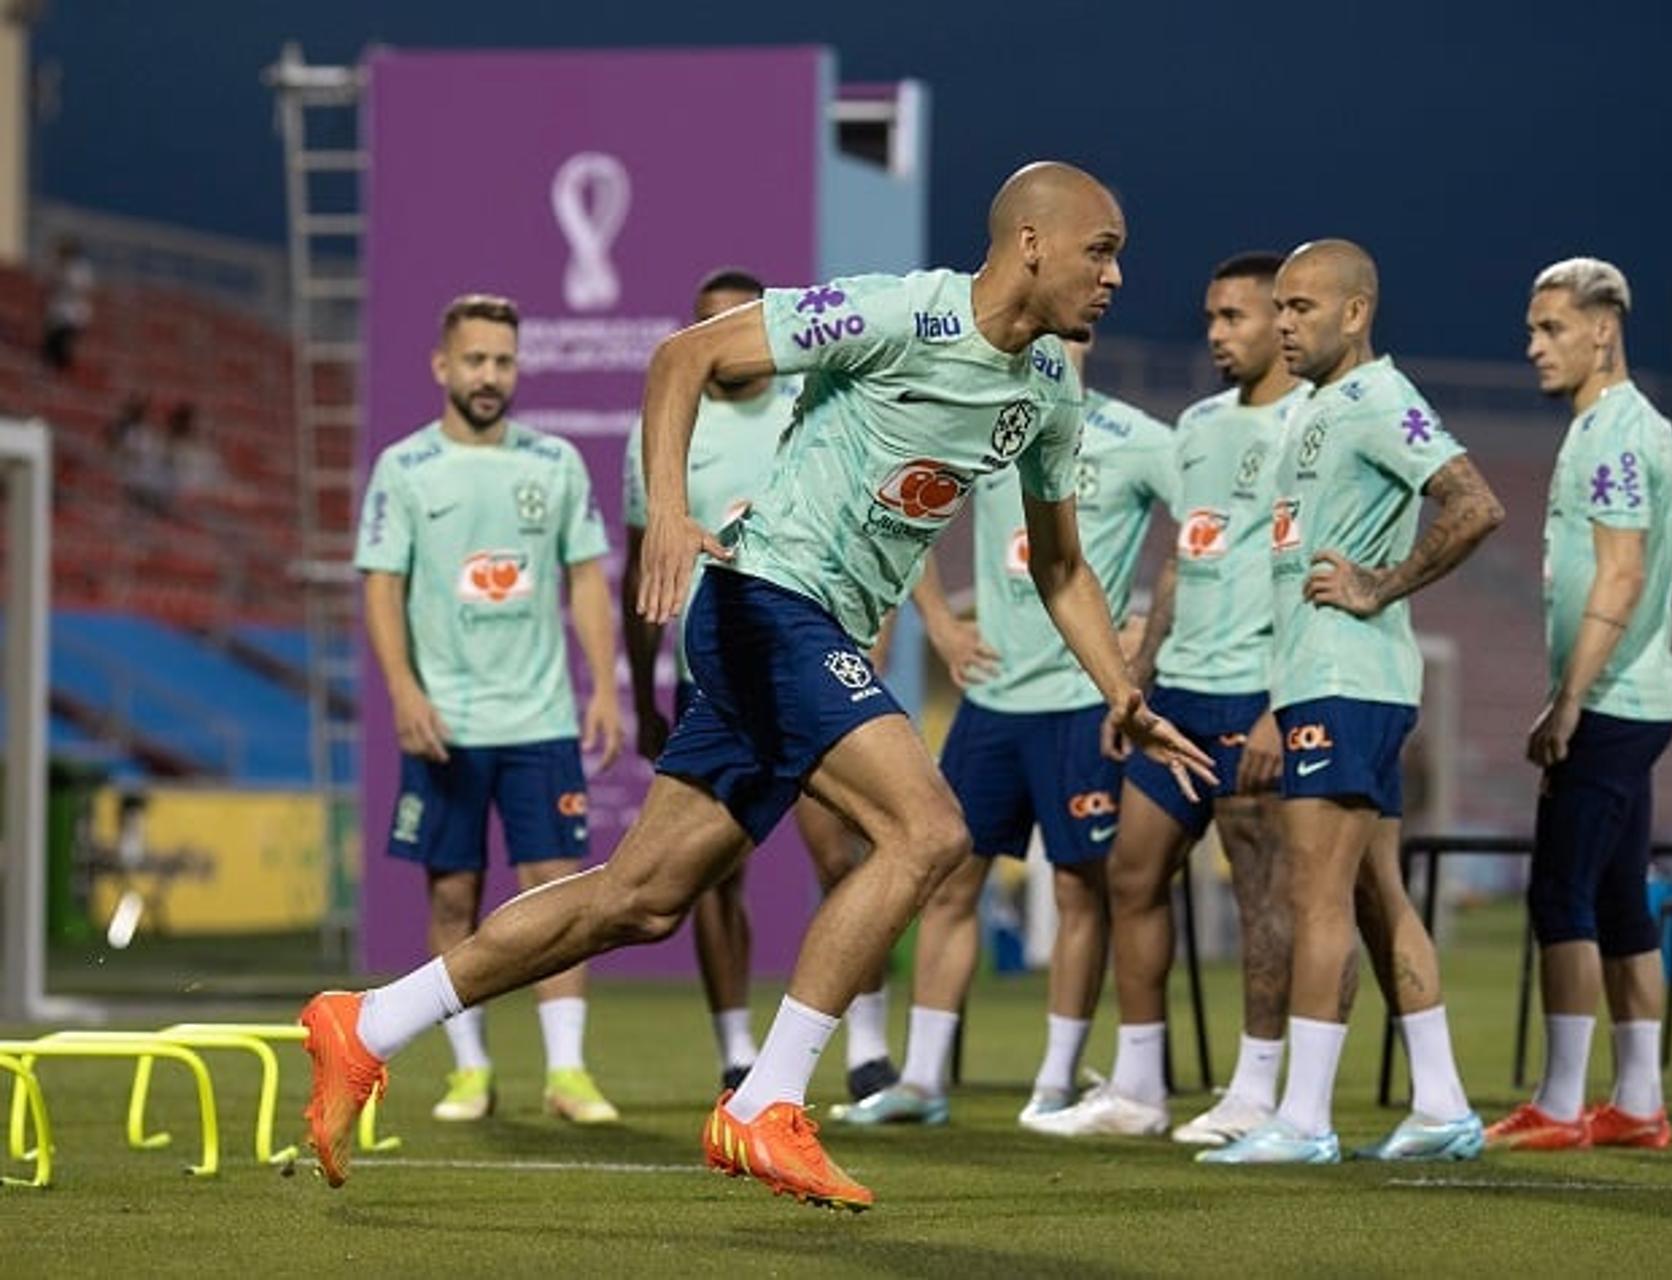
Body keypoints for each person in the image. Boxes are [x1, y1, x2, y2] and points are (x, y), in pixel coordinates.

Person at [300, 162, 1215, 1212]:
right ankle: (765, 1100)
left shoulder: (1048, 386)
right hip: (764, 600)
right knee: (927, 830)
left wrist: (1119, 689)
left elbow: (1060, 565)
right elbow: (683, 356)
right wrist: (677, 514)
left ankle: (366, 1024)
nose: (1116, 274)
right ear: (1033, 243)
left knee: (638, 900)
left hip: (800, 627)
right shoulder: (896, 311)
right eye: (1102, 249)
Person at [1204, 239, 1502, 1165]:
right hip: (1322, 676)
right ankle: (1444, 1103)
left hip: (1349, 676)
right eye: (1279, 308)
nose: (1284, 323)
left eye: (1301, 307)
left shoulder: (1381, 399)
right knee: (1377, 897)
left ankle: (1304, 1118)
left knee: (1315, 891)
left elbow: (1472, 503)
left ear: (1355, 312)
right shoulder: (1320, 407)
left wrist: (1381, 584)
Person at [836, 331, 1176, 1129]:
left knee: (1075, 889)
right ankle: (920, 1081)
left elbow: (1207, 535)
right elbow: (907, 516)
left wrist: (1145, 639)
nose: (1066, 341)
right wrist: (940, 629)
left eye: (1083, 332)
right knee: (950, 880)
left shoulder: (1140, 440)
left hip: (1079, 700)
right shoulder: (985, 421)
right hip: (992, 699)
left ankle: (1055, 1081)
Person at [1026, 251, 1308, 1144]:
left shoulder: (1315, 425)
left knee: (1264, 896)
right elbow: (1185, 560)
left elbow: (1309, 574)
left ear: (1284, 320)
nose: (1220, 334)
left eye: (1237, 317)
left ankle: (1257, 1091)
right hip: (1181, 690)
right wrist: (1136, 683)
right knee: (1130, 871)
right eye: (1213, 319)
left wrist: (1283, 703)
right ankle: (1141, 1089)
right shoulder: (1194, 427)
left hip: (1259, 689)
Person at [623, 267, 899, 1101]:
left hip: (809, 653)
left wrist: (868, 645)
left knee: (852, 848)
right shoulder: (669, 438)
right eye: (713, 320)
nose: (730, 332)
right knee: (694, 878)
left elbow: (867, 530)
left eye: (743, 317)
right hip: (714, 667)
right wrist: (642, 692)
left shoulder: (812, 403)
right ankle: (736, 1048)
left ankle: (868, 1049)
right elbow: (646, 570)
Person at [352, 294, 625, 1128]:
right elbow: (381, 585)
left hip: (540, 718)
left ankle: (568, 1071)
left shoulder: (555, 463)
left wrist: (606, 686)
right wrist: (403, 690)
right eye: (474, 360)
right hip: (449, 725)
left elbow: (584, 576)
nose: (488, 375)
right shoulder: (404, 468)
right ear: (442, 366)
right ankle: (469, 1071)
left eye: (502, 361)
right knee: (453, 896)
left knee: (559, 895)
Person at [1483, 257, 1672, 1151]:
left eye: (1551, 328)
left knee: (1559, 892)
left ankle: (1561, 1103)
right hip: (1635, 692)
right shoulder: (1615, 425)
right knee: (1616, 899)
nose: (1534, 346)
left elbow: (1624, 568)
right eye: (1533, 329)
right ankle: (1637, 1103)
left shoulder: (1614, 432)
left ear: (1603, 329)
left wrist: (1567, 700)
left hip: (1611, 697)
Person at [40, 236, 94, 371]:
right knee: (50, 345)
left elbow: (81, 289)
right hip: (57, 311)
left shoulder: (80, 268)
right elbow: (46, 282)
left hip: (71, 313)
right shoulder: (55, 264)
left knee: (63, 343)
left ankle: (61, 366)